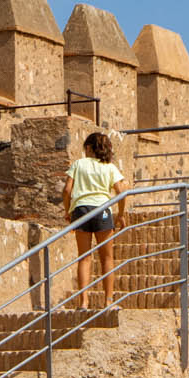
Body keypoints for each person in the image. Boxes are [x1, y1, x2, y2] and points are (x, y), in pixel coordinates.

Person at [61, 131, 130, 310]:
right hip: (102, 210)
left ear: (89, 148)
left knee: (84, 257)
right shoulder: (109, 167)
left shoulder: (78, 164)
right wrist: (121, 214)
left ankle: (84, 302)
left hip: (80, 211)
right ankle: (108, 301)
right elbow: (121, 192)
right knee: (107, 258)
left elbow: (67, 190)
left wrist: (68, 211)